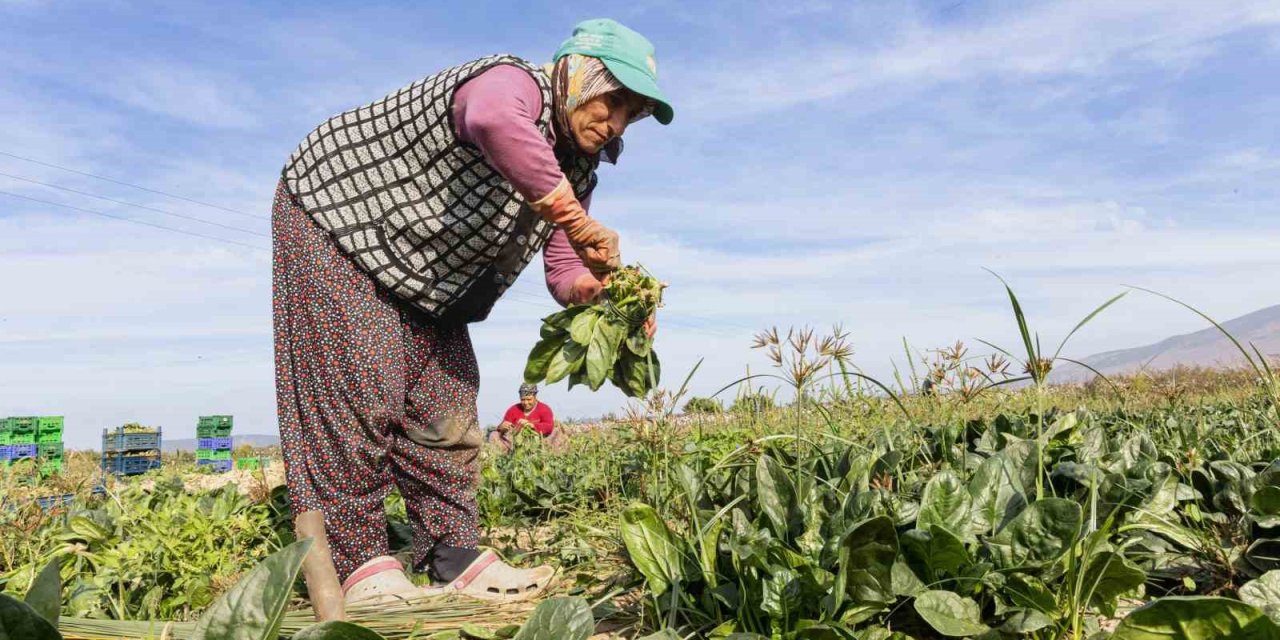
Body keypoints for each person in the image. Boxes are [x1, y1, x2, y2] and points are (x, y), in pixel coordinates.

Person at [272, 18, 672, 606]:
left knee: (449, 401)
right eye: (612, 100)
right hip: (342, 225)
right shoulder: (516, 85)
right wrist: (576, 218)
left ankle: (453, 553)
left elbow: (563, 271)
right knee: (361, 386)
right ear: (578, 75)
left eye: (630, 114)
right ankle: (359, 562)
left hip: (431, 276)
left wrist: (606, 295)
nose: (614, 122)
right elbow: (490, 118)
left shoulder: (578, 169)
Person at [489, 383, 556, 452]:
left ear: (535, 397)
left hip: (538, 442)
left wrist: (532, 425)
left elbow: (549, 426)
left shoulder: (544, 409)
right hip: (515, 443)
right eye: (523, 400)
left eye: (529, 399)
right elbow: (502, 426)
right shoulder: (513, 409)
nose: (526, 403)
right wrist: (502, 428)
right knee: (494, 434)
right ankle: (503, 456)